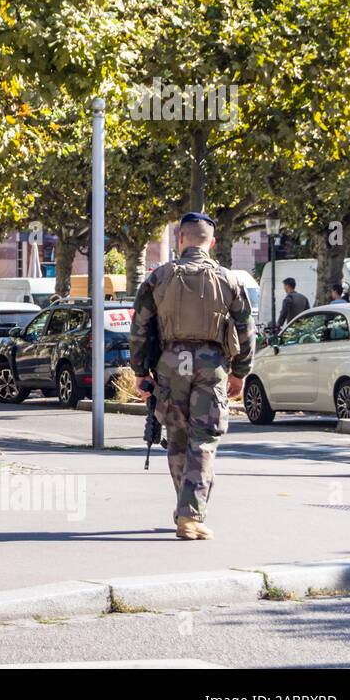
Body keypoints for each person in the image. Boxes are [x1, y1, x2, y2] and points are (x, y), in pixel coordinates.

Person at [130, 212, 254, 541]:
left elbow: (139, 328)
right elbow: (246, 330)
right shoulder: (229, 280)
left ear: (180, 239)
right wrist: (241, 372)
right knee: (205, 439)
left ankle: (186, 508)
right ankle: (190, 514)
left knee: (177, 436)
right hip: (212, 365)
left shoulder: (158, 278)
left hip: (171, 363)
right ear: (211, 243)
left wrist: (141, 372)